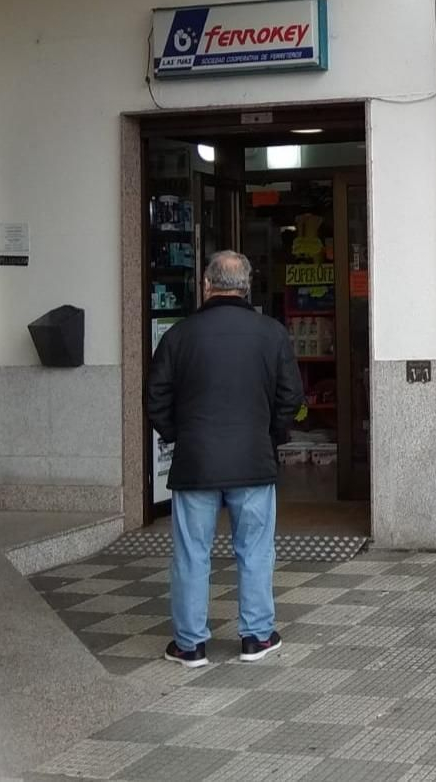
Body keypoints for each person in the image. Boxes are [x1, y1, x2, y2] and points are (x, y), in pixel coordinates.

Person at [147, 251, 304, 667]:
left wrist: (180, 434)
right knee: (255, 550)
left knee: (191, 554)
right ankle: (256, 636)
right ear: (246, 286)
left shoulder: (179, 335)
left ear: (206, 285)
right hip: (252, 461)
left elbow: (156, 398)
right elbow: (291, 396)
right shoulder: (271, 334)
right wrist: (269, 435)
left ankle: (190, 645)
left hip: (196, 462)